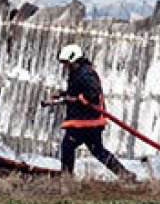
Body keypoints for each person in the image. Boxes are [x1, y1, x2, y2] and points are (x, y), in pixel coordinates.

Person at [49, 44, 132, 179]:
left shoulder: (86, 74)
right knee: (98, 151)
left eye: (66, 63)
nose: (65, 66)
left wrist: (74, 99)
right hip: (88, 121)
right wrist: (63, 94)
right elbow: (78, 91)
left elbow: (92, 94)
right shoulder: (79, 72)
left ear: (73, 59)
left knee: (68, 146)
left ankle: (66, 178)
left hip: (86, 121)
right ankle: (126, 175)